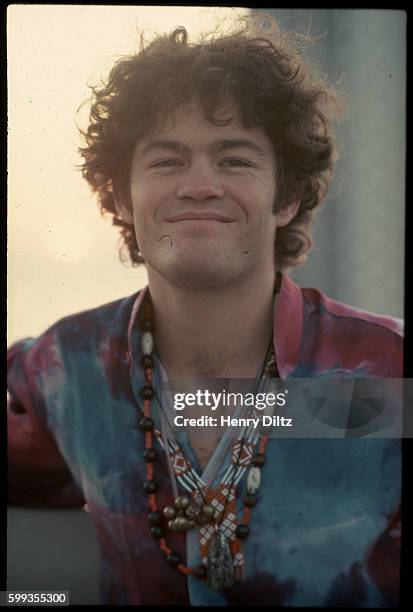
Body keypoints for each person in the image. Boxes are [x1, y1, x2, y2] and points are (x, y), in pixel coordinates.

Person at [7, 14, 402, 606]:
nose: (200, 185)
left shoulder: (386, 369)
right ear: (121, 194)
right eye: (166, 160)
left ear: (287, 197)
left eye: (235, 160)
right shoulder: (64, 370)